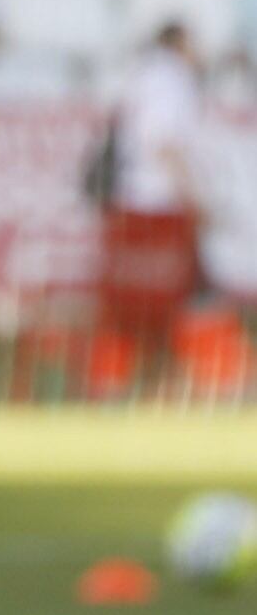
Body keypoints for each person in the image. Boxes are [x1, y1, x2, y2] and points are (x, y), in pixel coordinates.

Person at [98, 20, 206, 382]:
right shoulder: (170, 78)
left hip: (129, 200)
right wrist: (193, 196)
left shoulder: (139, 74)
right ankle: (157, 376)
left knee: (131, 294)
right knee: (163, 294)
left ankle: (124, 375)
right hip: (159, 202)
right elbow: (163, 143)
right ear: (180, 42)